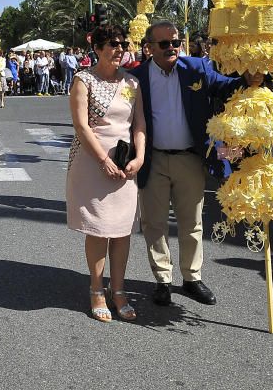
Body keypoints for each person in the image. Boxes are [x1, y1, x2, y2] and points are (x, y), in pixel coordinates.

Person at [131, 22, 243, 307]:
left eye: (175, 42)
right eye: (164, 44)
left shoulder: (197, 68)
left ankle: (192, 277)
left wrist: (253, 78)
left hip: (190, 158)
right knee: (154, 223)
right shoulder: (135, 77)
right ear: (149, 47)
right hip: (153, 159)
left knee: (191, 222)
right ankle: (162, 280)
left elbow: (226, 86)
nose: (171, 48)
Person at [67, 26, 146, 322]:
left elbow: (138, 125)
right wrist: (102, 160)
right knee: (100, 229)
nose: (119, 49)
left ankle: (120, 290)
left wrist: (140, 156)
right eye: (113, 44)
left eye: (123, 44)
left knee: (123, 230)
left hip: (126, 164)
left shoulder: (132, 82)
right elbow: (81, 126)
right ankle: (97, 289)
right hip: (92, 161)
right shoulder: (83, 80)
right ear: (97, 48)